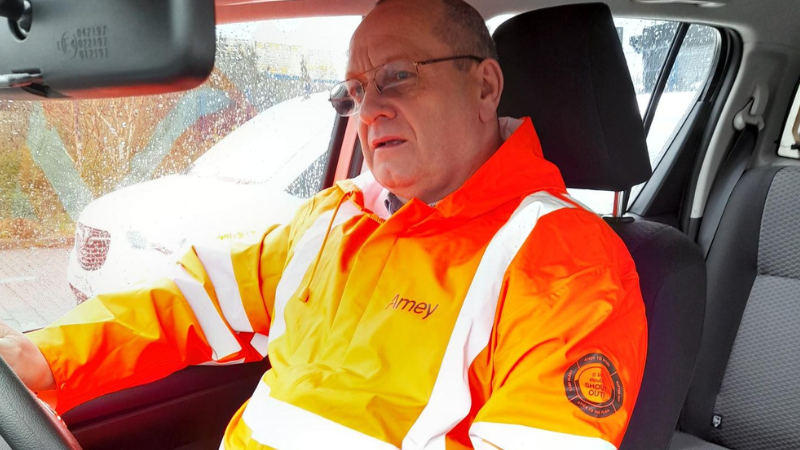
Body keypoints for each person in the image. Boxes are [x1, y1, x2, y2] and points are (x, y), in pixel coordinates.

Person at [0, 0, 647, 448]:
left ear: (485, 87)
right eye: (357, 91)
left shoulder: (563, 263)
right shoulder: (337, 216)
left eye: (397, 77)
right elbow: (191, 299)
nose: (370, 110)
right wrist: (43, 358)